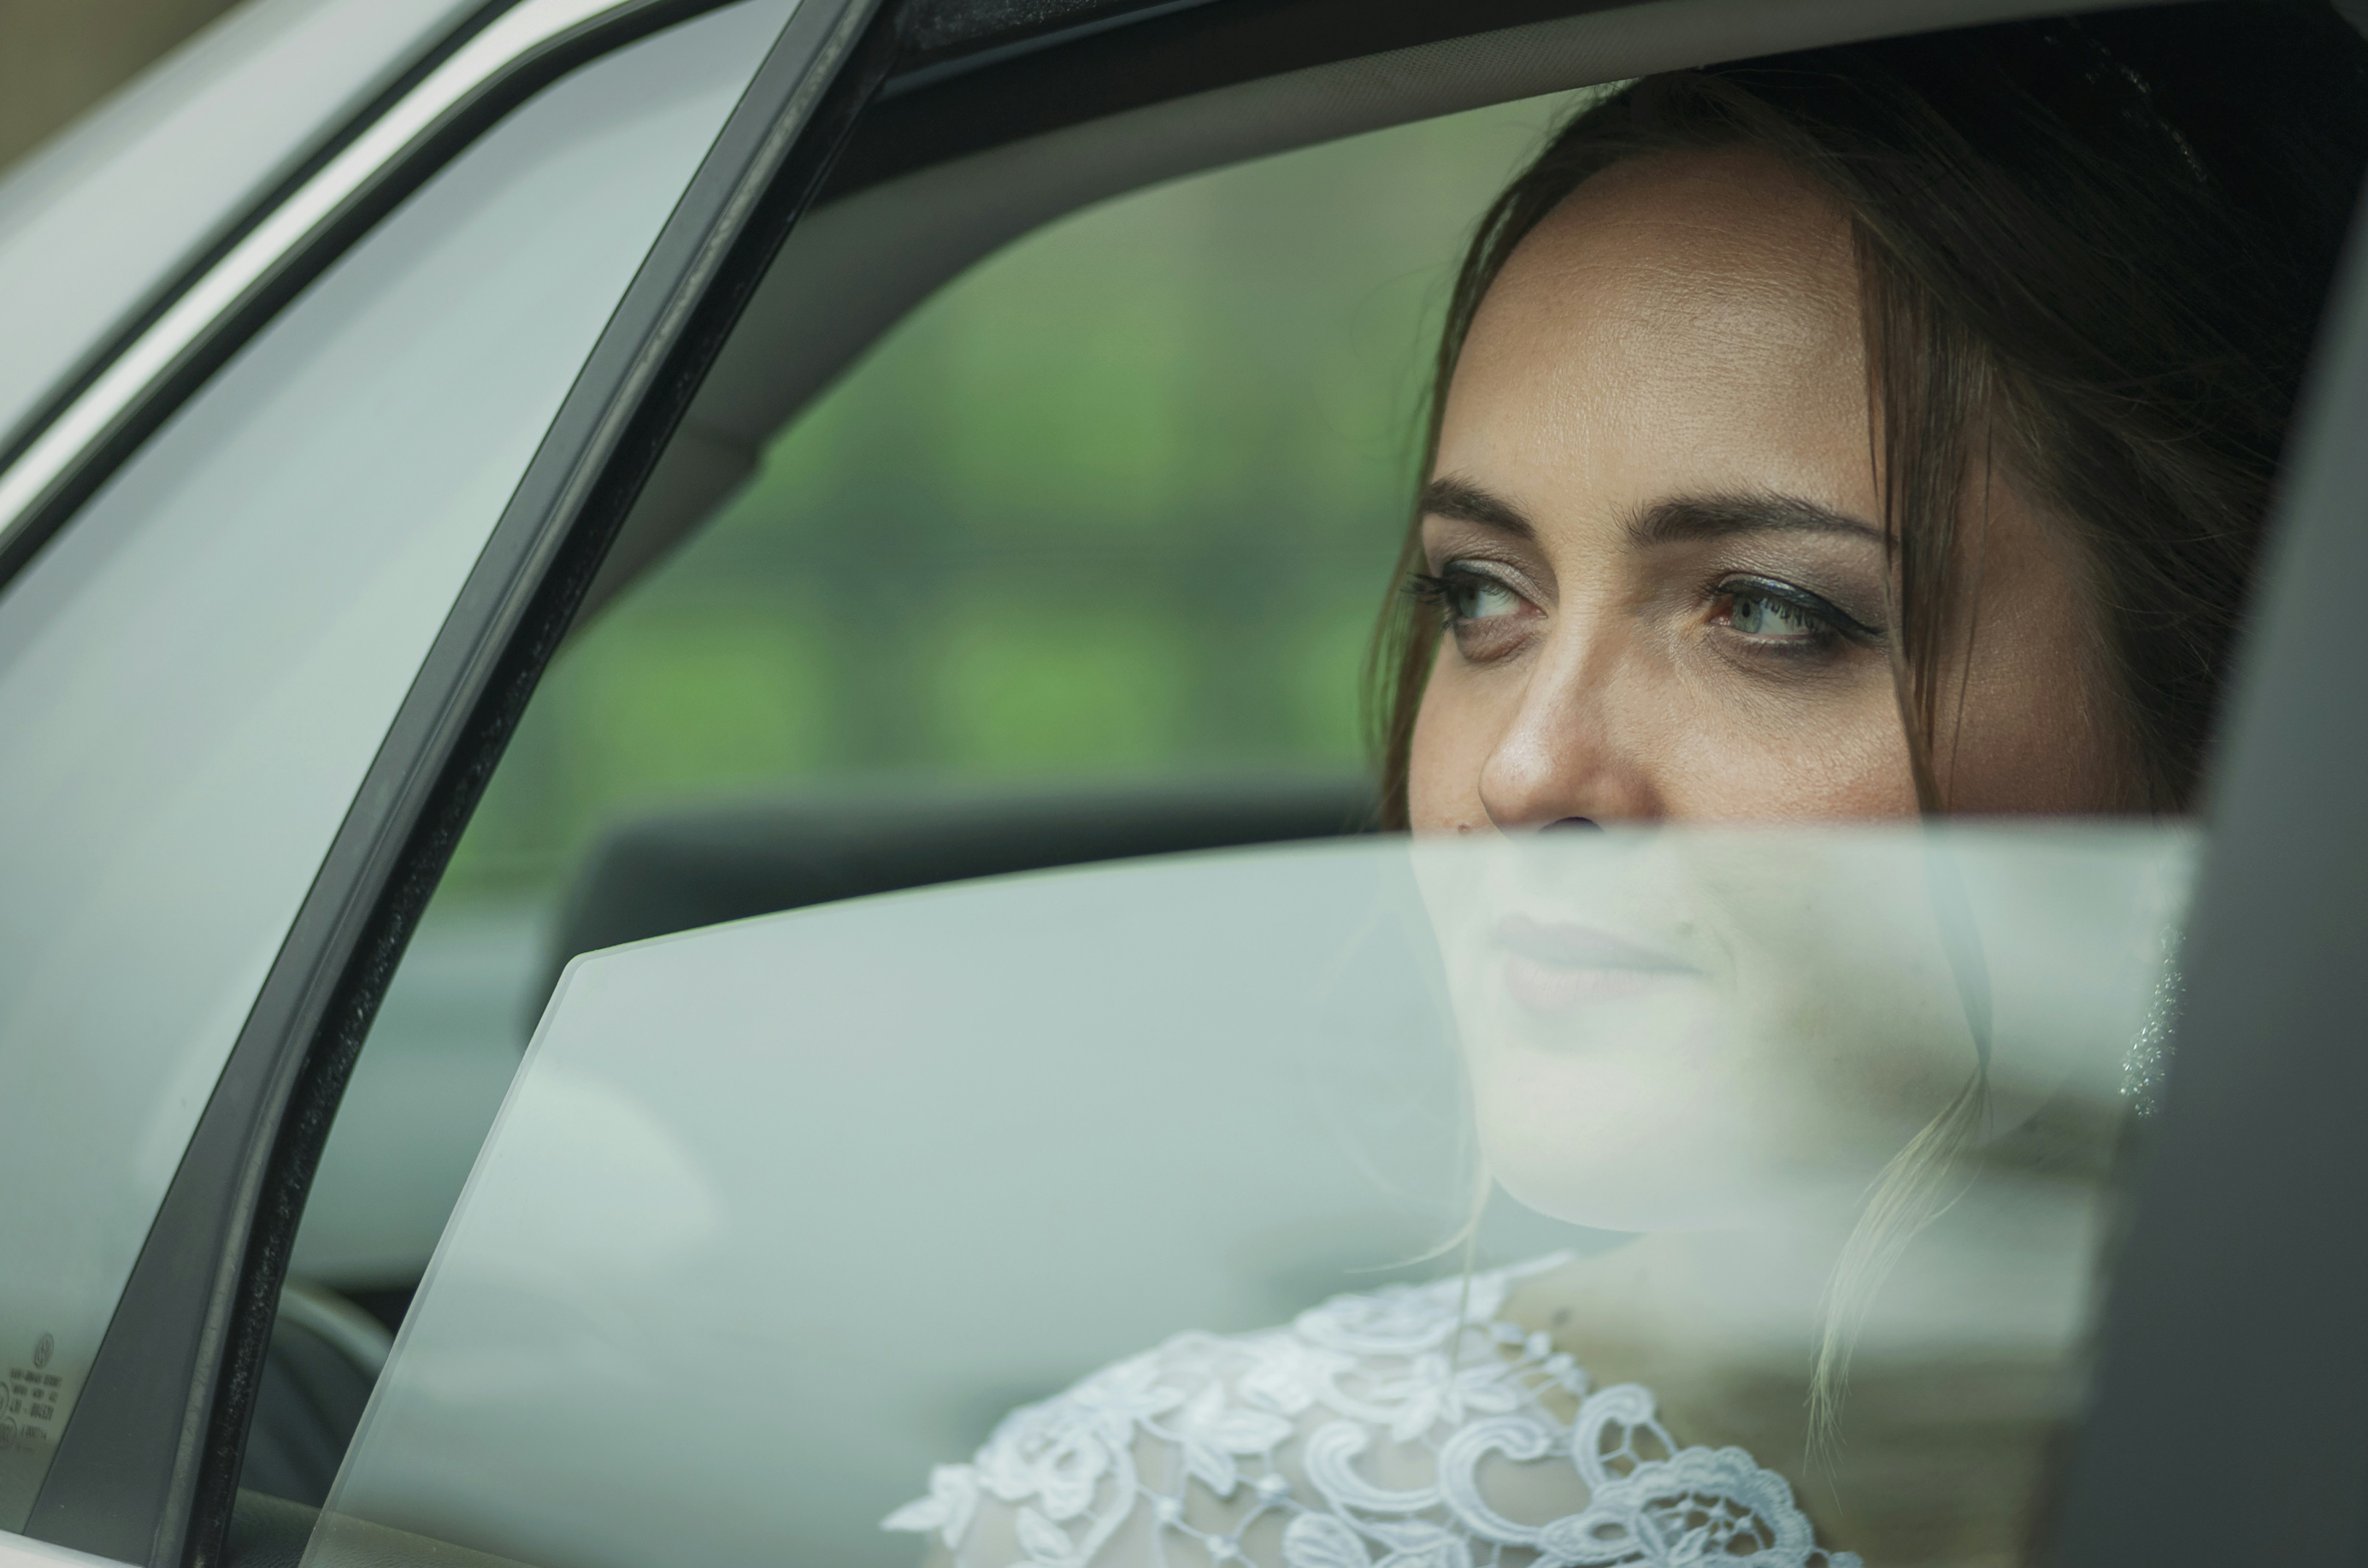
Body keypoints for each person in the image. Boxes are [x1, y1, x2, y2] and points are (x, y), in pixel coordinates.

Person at [887, 7, 2368, 1564]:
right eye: (1480, 595)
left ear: (2251, 708)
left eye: (1769, 613)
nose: (1525, 769)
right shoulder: (1199, 1520)